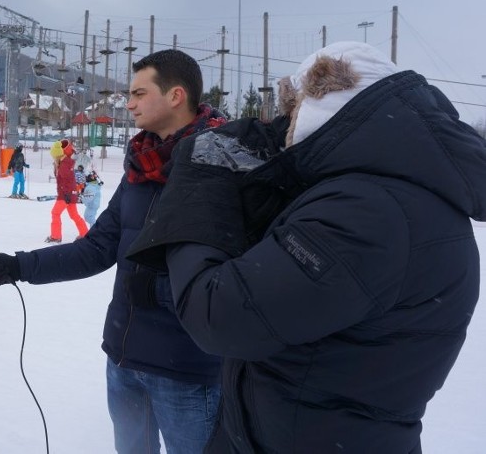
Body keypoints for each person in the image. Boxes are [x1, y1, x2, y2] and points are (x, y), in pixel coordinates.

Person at [133, 42, 486, 453]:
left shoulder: (370, 212)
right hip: (291, 431)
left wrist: (199, 186)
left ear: (326, 106)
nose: (286, 124)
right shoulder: (386, 194)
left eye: (293, 109)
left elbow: (219, 314)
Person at [0, 49, 227, 454]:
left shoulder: (223, 167)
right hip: (125, 359)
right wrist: (21, 265)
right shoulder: (140, 169)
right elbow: (97, 248)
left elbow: (236, 276)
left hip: (187, 370)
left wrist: (163, 293)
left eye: (138, 93)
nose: (128, 104)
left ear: (176, 96)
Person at [45, 138, 88, 243]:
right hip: (70, 194)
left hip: (66, 195)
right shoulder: (65, 163)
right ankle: (85, 233)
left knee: (55, 213)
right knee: (74, 215)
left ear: (58, 155)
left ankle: (56, 236)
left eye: (54, 156)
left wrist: (67, 195)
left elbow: (67, 182)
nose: (53, 158)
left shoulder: (65, 164)